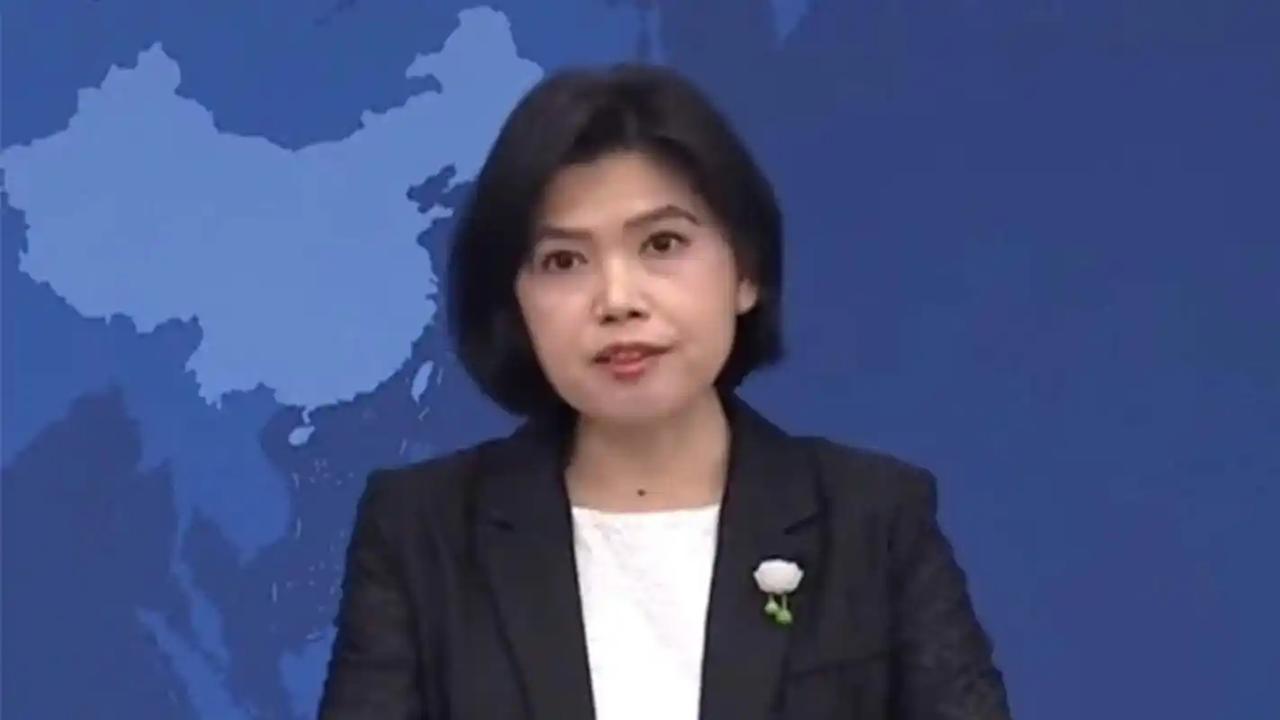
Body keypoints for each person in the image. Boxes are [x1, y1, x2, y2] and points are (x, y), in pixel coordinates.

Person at [319, 63, 1012, 720]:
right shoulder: (422, 533)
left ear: (746, 271)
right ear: (517, 301)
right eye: (564, 260)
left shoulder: (872, 520)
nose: (617, 299)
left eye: (662, 245)